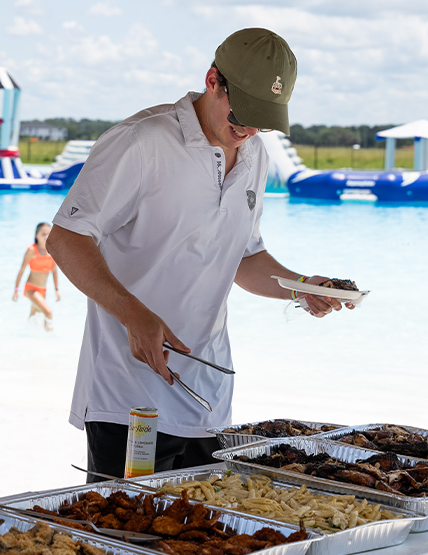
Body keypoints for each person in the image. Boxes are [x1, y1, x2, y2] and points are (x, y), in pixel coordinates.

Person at [46, 28, 354, 480]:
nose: (248, 130)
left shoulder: (255, 155)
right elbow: (66, 239)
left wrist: (301, 288)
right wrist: (134, 314)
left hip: (210, 399)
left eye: (262, 121)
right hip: (129, 401)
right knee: (125, 540)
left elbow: (244, 259)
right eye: (243, 112)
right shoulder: (140, 141)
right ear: (213, 80)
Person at [13, 222, 60, 331]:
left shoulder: (52, 251)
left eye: (49, 233)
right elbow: (22, 271)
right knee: (48, 313)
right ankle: (51, 338)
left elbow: (54, 271)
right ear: (36, 235)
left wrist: (56, 290)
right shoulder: (31, 250)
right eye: (43, 234)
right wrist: (16, 290)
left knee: (33, 317)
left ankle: (28, 339)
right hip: (31, 288)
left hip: (43, 290)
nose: (46, 236)